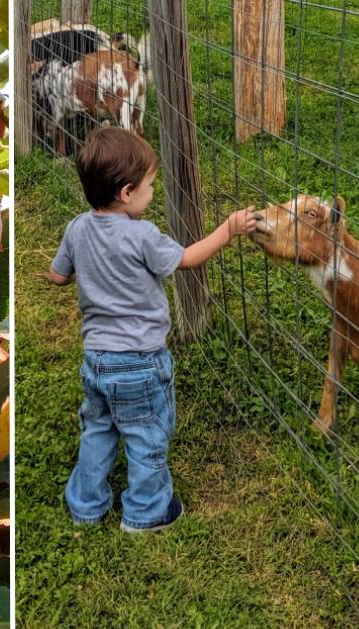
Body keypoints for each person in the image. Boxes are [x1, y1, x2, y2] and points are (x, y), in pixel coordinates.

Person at [48, 128, 259, 532]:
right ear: (126, 192)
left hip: (96, 360)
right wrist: (228, 230)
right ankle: (146, 513)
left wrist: (85, 271)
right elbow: (188, 259)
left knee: (98, 430)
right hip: (140, 362)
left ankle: (85, 507)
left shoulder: (77, 229)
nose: (153, 191)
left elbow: (57, 277)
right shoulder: (142, 235)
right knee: (146, 438)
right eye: (150, 185)